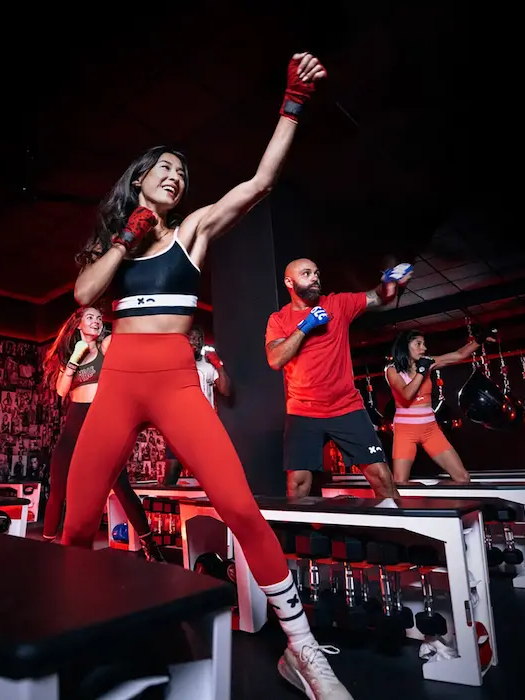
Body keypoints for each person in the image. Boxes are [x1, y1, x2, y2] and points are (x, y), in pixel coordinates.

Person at [62, 53, 354, 699]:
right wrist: (125, 238)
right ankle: (69, 643)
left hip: (174, 380)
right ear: (139, 181)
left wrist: (293, 102)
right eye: (163, 168)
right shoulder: (116, 244)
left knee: (242, 508)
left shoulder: (192, 231)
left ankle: (302, 651)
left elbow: (260, 184)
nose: (175, 176)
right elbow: (84, 295)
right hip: (118, 381)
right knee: (77, 523)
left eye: (181, 172)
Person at [266, 258, 408, 499]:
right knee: (297, 486)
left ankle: (400, 524)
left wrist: (387, 284)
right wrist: (305, 326)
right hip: (303, 411)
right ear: (289, 282)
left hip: (346, 407)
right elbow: (275, 359)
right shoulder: (279, 320)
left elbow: (377, 297)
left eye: (316, 273)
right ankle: (302, 526)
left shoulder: (337, 303)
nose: (315, 277)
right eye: (306, 273)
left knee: (383, 479)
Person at [41, 306, 165, 561]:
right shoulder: (71, 353)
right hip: (74, 425)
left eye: (99, 318)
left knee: (121, 487)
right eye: (90, 317)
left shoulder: (105, 345)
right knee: (58, 489)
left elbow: (126, 341)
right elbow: (61, 391)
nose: (96, 321)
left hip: (101, 423)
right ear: (78, 324)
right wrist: (75, 357)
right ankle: (45, 548)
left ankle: (150, 547)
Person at [385, 329, 485, 484]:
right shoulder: (392, 370)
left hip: (430, 429)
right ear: (405, 346)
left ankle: (433, 492)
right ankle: (423, 494)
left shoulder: (426, 362)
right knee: (400, 482)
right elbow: (406, 395)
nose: (424, 348)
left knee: (463, 478)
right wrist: (422, 371)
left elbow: (458, 355)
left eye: (424, 344)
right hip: (405, 431)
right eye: (418, 344)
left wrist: (479, 340)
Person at [162, 326, 231, 485]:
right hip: (180, 423)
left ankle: (212, 498)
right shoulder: (175, 364)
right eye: (192, 338)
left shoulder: (208, 365)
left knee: (210, 469)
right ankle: (165, 499)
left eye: (200, 339)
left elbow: (226, 390)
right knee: (172, 469)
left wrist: (219, 366)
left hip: (204, 424)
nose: (197, 342)